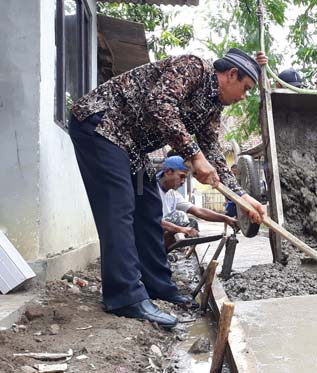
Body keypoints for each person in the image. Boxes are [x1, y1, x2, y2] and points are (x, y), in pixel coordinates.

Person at [68, 48, 267, 328]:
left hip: (131, 144)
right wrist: (194, 156)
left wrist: (243, 196)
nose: (243, 97)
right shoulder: (194, 67)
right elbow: (159, 102)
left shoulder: (213, 108)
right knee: (120, 206)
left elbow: (211, 150)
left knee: (149, 206)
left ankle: (157, 285)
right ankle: (125, 297)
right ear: (231, 74)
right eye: (245, 88)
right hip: (102, 124)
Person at [157, 156, 238, 249]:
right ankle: (156, 251)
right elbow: (152, 220)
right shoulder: (151, 191)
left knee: (192, 223)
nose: (183, 182)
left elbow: (199, 211)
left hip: (159, 232)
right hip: (145, 234)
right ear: (168, 172)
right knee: (180, 217)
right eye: (181, 176)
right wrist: (180, 229)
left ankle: (164, 251)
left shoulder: (173, 194)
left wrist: (225, 219)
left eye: (185, 178)